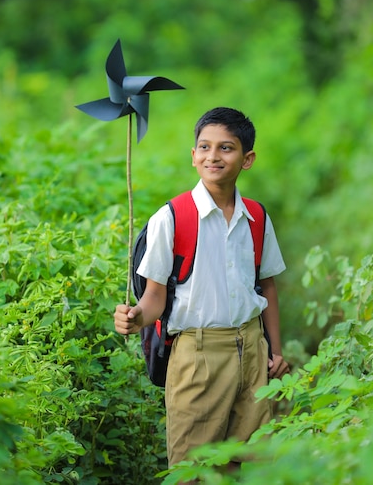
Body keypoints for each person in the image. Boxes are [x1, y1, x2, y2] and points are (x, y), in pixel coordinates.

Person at [114, 106, 289, 468]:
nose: (214, 156)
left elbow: (266, 286)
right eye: (205, 147)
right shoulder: (172, 218)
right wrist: (135, 318)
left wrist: (276, 349)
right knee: (194, 466)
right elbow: (155, 298)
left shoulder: (256, 217)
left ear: (248, 158)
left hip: (253, 350)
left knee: (256, 462)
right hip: (198, 354)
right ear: (193, 155)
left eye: (226, 148)